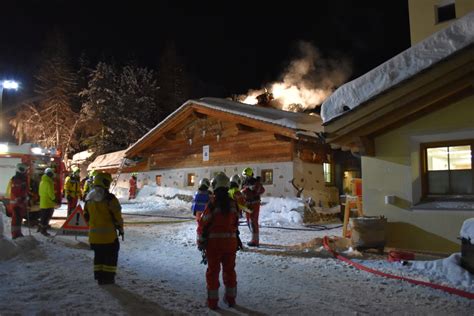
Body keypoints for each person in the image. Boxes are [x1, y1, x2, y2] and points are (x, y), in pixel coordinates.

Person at [197, 172, 241, 310]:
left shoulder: (212, 204)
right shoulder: (233, 204)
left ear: (214, 186)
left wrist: (200, 242)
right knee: (230, 271)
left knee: (213, 272)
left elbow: (203, 223)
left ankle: (212, 302)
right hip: (230, 244)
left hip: (214, 246)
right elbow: (235, 223)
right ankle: (231, 299)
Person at [84, 172, 124, 285]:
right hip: (109, 237)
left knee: (99, 257)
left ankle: (99, 277)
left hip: (94, 237)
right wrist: (121, 229)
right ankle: (108, 278)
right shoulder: (110, 199)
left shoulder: (88, 198)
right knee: (110, 257)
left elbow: (86, 216)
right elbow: (117, 216)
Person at [241, 167, 265, 247]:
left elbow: (261, 190)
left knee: (253, 221)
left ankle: (255, 241)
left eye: (245, 175)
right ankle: (253, 238)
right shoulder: (244, 182)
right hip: (248, 204)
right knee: (249, 222)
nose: (244, 177)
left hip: (254, 204)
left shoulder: (255, 182)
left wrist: (250, 191)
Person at [6, 163, 29, 239]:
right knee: (16, 220)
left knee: (19, 219)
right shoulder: (17, 180)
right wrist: (21, 199)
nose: (26, 171)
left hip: (20, 203)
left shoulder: (21, 179)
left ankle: (18, 233)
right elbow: (15, 192)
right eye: (25, 170)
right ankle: (15, 235)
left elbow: (23, 191)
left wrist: (25, 197)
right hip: (16, 204)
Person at [38, 168, 57, 236]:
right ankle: (44, 231)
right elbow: (50, 192)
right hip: (48, 203)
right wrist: (54, 198)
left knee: (43, 216)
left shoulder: (42, 181)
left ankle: (40, 228)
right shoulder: (49, 182)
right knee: (46, 217)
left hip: (43, 202)